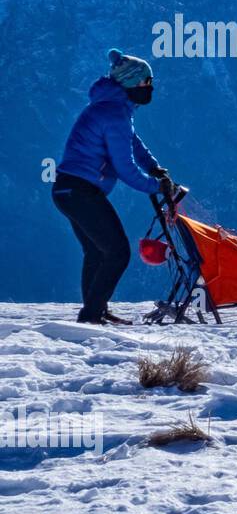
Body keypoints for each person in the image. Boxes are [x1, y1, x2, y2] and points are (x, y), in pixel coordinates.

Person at [52, 49, 180, 325]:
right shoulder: (114, 114)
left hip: (67, 190)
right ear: (132, 83)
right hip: (81, 192)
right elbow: (125, 169)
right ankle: (91, 316)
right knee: (118, 252)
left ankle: (95, 311)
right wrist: (157, 185)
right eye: (147, 82)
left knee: (97, 251)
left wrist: (155, 167)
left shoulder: (113, 107)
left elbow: (134, 144)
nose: (150, 88)